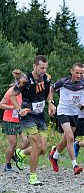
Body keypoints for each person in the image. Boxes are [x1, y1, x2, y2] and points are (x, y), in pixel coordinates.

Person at [9, 55, 56, 185]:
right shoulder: (25, 80)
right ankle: (33, 177)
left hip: (40, 115)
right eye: (41, 68)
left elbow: (50, 92)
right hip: (27, 114)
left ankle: (21, 153)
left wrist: (51, 103)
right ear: (34, 66)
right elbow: (12, 96)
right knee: (35, 144)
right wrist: (19, 110)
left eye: (45, 68)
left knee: (43, 148)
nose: (43, 70)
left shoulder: (47, 77)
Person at [47, 63, 84, 175]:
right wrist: (51, 103)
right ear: (71, 71)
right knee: (71, 137)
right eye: (77, 73)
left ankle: (54, 156)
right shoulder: (63, 82)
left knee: (66, 139)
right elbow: (51, 89)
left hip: (75, 113)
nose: (79, 75)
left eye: (81, 73)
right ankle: (74, 165)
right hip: (63, 112)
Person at [1, 70, 30, 172]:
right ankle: (7, 165)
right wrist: (14, 107)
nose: (25, 84)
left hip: (19, 119)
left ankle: (15, 154)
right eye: (23, 82)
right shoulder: (11, 91)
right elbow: (1, 104)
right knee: (13, 144)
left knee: (26, 141)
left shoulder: (22, 92)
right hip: (9, 120)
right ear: (19, 82)